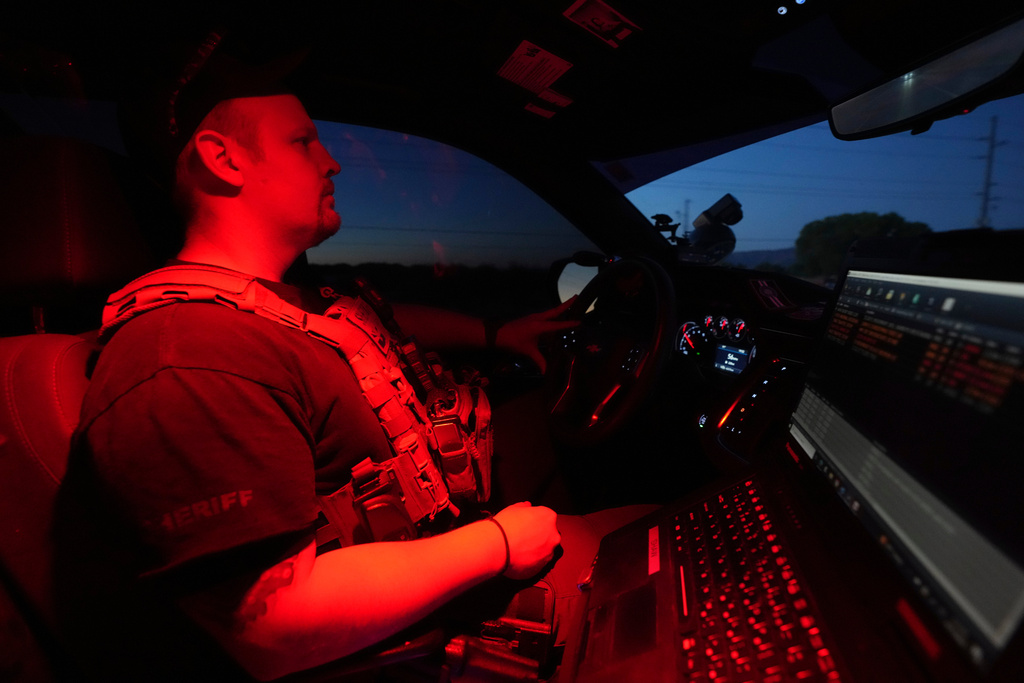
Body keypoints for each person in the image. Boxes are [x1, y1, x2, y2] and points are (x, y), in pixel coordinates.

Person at [55, 47, 655, 683]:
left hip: (457, 582)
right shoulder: (190, 355)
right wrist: (499, 545)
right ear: (223, 159)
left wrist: (496, 332)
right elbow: (270, 626)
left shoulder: (287, 303)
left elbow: (372, 319)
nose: (331, 160)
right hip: (437, 640)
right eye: (303, 142)